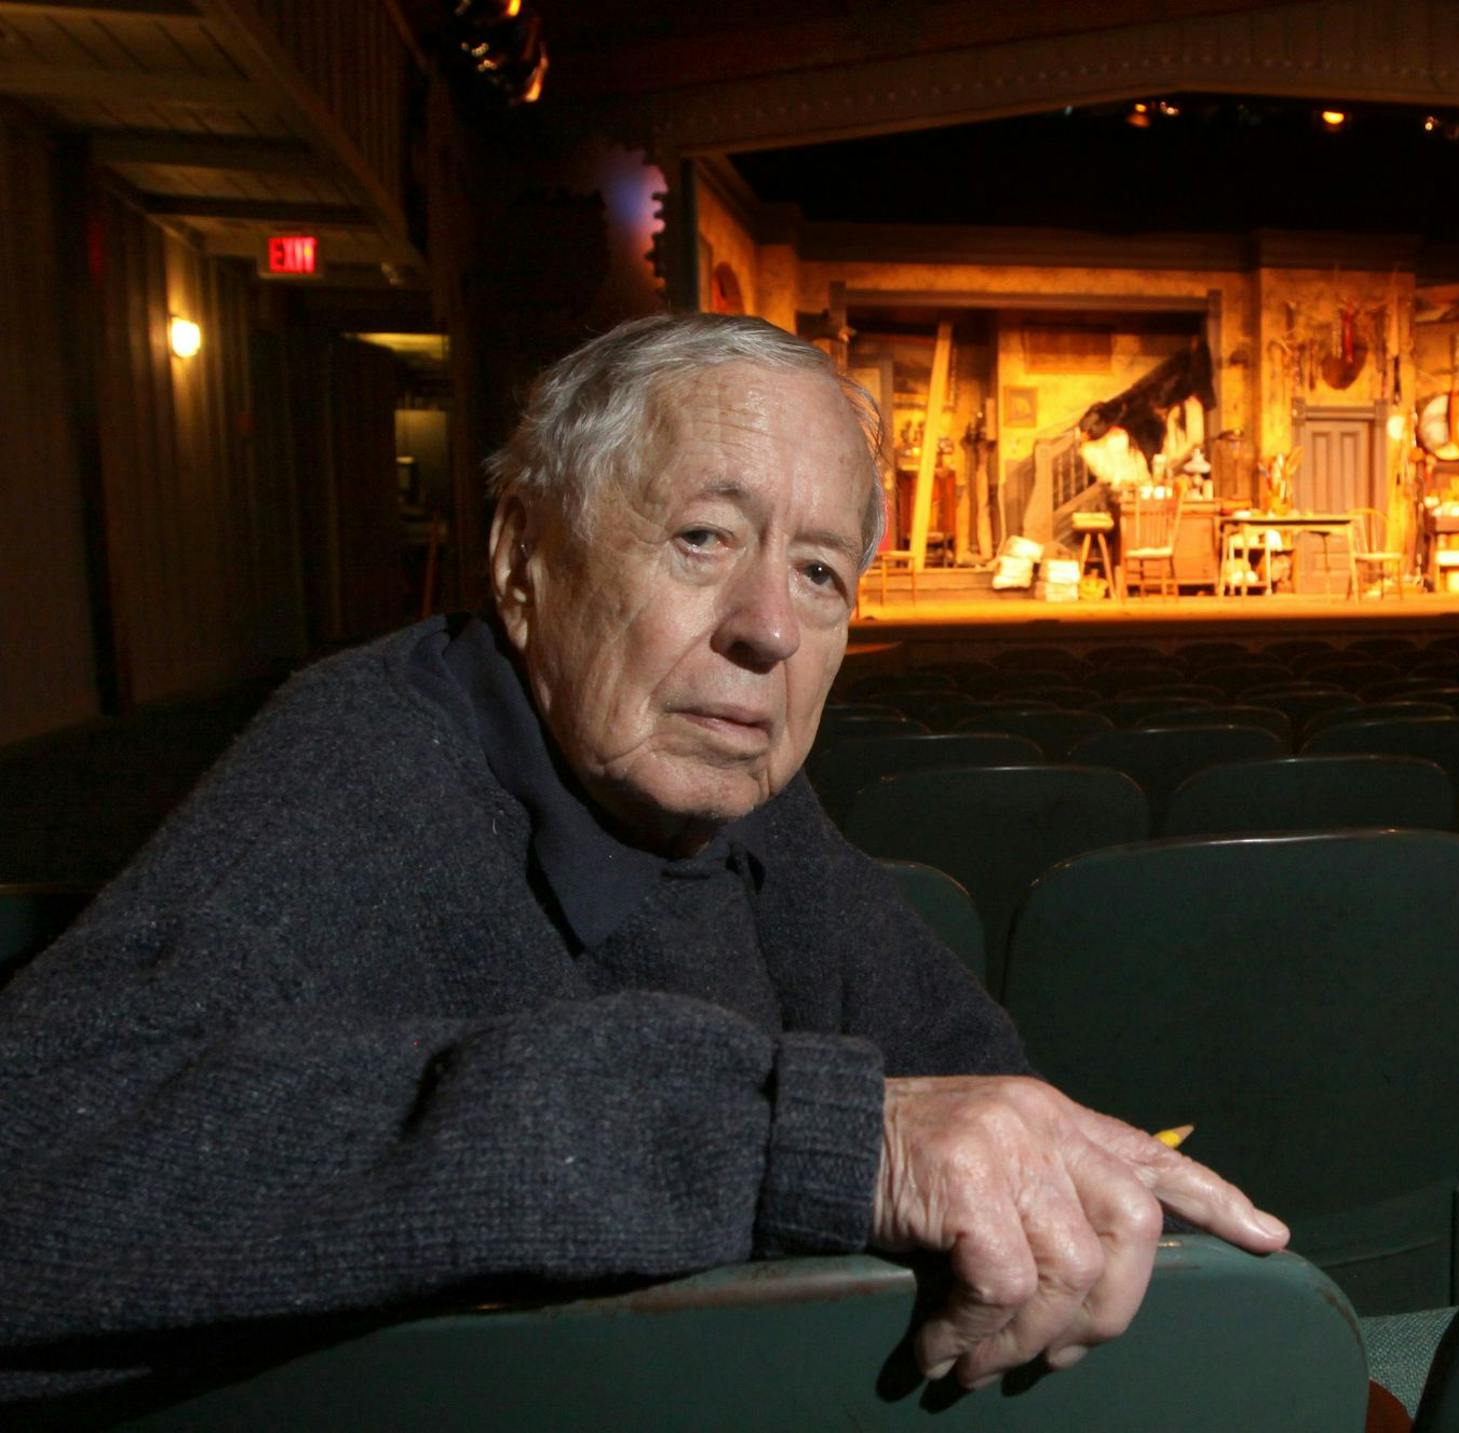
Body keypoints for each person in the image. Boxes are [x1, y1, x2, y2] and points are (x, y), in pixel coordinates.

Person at [0, 314, 1287, 1416]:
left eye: (822, 570)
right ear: (520, 562)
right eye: (702, 538)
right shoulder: (364, 763)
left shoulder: (730, 787)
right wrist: (812, 1142)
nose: (769, 627)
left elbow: (960, 1062)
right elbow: (33, 1168)